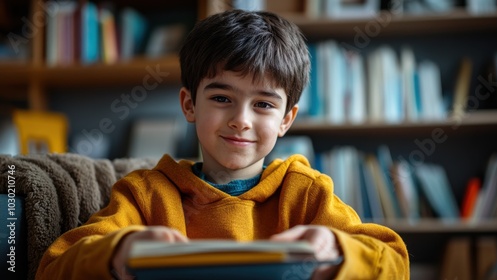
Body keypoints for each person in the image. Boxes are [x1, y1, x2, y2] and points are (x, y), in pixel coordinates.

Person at [36, 9, 409, 280]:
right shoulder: (145, 194)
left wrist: (337, 252)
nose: (241, 119)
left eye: (263, 104)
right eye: (221, 98)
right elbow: (55, 266)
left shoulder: (305, 192)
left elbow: (393, 262)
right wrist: (120, 253)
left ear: (286, 120)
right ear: (189, 105)